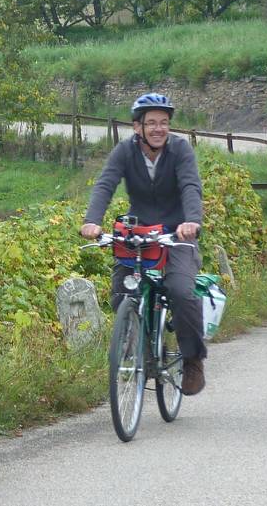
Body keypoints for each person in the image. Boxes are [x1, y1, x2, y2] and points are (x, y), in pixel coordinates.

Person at [79, 93, 207, 395]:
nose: (159, 128)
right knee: (121, 294)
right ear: (138, 127)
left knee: (181, 291)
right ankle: (139, 349)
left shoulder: (180, 150)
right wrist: (91, 221)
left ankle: (192, 359)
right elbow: (105, 184)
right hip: (139, 235)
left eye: (164, 123)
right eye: (151, 123)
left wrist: (191, 222)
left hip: (177, 235)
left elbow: (191, 186)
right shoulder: (124, 151)